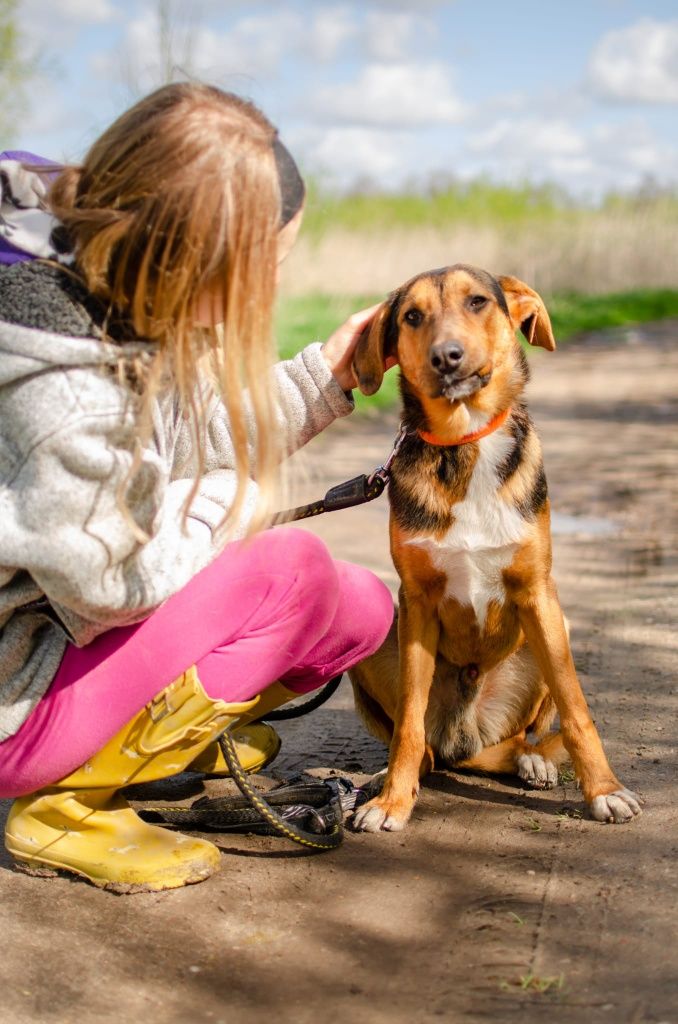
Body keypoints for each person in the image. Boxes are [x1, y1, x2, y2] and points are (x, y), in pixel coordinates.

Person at [0, 83, 394, 893]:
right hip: (17, 691)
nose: (275, 284)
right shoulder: (59, 375)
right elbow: (113, 584)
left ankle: (157, 735)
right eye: (269, 265)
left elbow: (204, 429)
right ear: (198, 257)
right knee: (289, 571)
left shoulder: (136, 288)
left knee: (362, 612)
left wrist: (331, 374)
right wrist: (230, 505)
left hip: (69, 631)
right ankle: (65, 803)